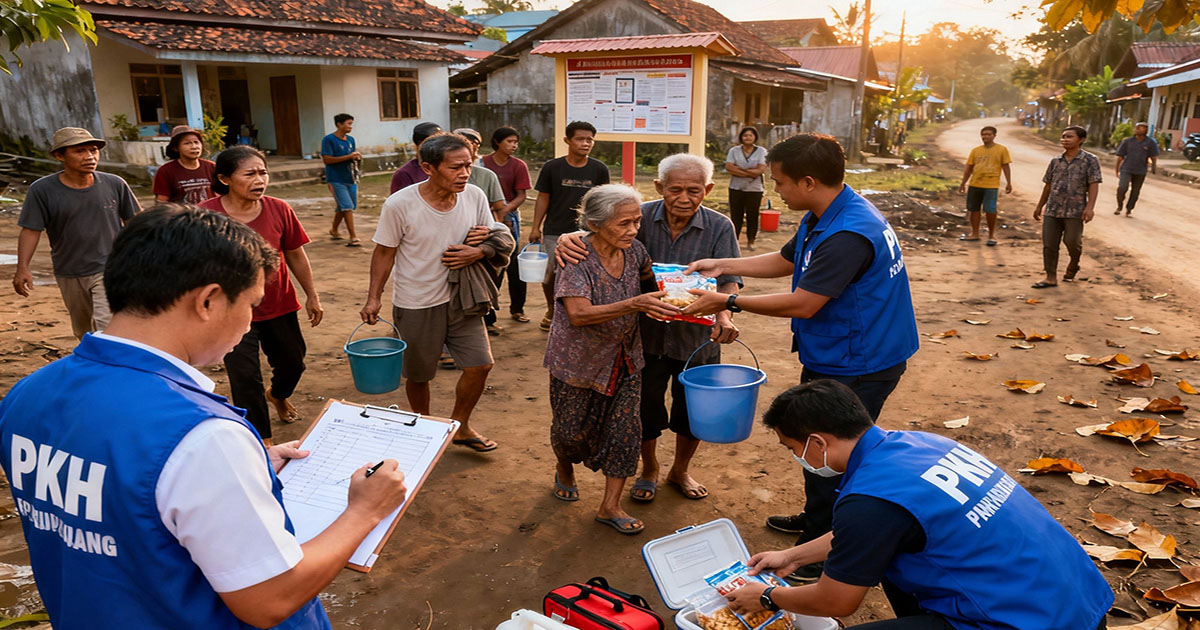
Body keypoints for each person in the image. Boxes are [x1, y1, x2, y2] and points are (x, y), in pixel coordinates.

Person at [0, 205, 409, 629]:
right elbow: (270, 598)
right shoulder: (200, 436)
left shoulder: (29, 392)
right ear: (208, 300)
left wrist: (236, 474)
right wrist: (365, 510)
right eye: (251, 304)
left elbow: (111, 493)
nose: (250, 323)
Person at [682, 133, 919, 581]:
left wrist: (728, 303)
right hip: (840, 351)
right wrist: (721, 265)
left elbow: (804, 302)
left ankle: (827, 551)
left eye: (782, 183)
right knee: (817, 452)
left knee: (833, 456)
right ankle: (818, 526)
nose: (778, 191)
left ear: (808, 181)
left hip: (860, 361)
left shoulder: (848, 233)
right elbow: (789, 259)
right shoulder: (827, 213)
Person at [723, 380, 1113, 630]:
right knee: (892, 562)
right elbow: (882, 529)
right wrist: (793, 557)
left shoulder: (868, 500)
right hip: (1077, 599)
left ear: (818, 442)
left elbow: (836, 601)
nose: (797, 457)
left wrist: (767, 596)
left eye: (792, 448)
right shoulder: (923, 444)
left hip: (1026, 622)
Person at [555, 154, 741, 503]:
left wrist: (724, 317)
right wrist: (570, 236)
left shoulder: (720, 226)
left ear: (709, 189)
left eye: (694, 190)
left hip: (697, 341)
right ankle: (650, 468)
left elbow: (730, 279)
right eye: (675, 190)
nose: (684, 198)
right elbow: (600, 228)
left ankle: (680, 470)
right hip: (646, 337)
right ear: (659, 187)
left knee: (692, 413)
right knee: (645, 411)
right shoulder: (637, 215)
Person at [362, 133, 512, 453]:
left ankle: (460, 425)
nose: (464, 174)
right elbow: (384, 253)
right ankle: (423, 427)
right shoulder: (399, 204)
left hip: (463, 298)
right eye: (455, 168)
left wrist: (480, 251)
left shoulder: (473, 196)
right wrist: (374, 297)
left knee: (480, 365)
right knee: (419, 375)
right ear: (428, 167)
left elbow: (490, 234)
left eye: (468, 166)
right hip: (416, 300)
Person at [543, 184, 680, 535]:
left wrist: (683, 296)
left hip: (625, 358)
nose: (633, 230)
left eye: (637, 222)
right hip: (579, 363)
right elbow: (579, 314)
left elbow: (654, 281)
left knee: (625, 433)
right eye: (623, 223)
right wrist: (636, 304)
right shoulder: (576, 257)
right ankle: (565, 467)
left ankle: (609, 506)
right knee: (569, 432)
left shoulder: (635, 251)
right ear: (594, 223)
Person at [201, 146, 323, 444]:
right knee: (245, 377)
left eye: (263, 172)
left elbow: (295, 253)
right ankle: (262, 439)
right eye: (250, 174)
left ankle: (278, 395)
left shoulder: (279, 208)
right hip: (229, 312)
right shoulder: (206, 215)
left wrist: (312, 294)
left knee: (293, 363)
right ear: (226, 179)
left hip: (279, 304)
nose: (260, 180)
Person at [13, 127, 140, 339]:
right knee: (83, 331)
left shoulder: (114, 184)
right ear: (59, 155)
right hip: (69, 271)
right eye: (80, 151)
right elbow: (31, 230)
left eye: (93, 150)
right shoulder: (42, 190)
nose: (90, 156)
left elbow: (136, 222)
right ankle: (93, 365)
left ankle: (111, 369)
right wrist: (22, 268)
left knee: (108, 328)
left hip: (110, 268)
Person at [529, 121, 610, 331]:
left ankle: (583, 312)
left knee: (587, 272)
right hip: (554, 230)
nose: (585, 143)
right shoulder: (552, 167)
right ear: (567, 140)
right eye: (580, 139)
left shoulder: (599, 169)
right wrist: (535, 227)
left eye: (589, 139)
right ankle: (552, 310)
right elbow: (543, 198)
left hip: (588, 232)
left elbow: (603, 201)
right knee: (550, 273)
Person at [454, 127, 509, 335]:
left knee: (483, 283)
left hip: (479, 241)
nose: (463, 174)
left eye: (474, 144)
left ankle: (486, 319)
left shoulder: (483, 180)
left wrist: (488, 236)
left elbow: (497, 210)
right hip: (454, 248)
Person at [1032, 125, 1101, 289]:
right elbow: (1048, 185)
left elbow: (1093, 184)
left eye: (1069, 136)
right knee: (1049, 244)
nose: (1065, 139)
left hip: (1075, 210)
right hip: (1053, 209)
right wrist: (1039, 206)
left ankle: (1074, 263)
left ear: (1081, 139)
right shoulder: (1055, 161)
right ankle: (1050, 277)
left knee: (1072, 242)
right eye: (1063, 136)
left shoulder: (1090, 160)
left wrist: (1090, 207)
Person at [481, 126, 533, 323]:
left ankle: (517, 308)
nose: (514, 145)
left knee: (513, 264)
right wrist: (493, 214)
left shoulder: (518, 165)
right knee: (491, 265)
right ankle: (488, 313)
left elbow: (521, 195)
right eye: (510, 141)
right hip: (484, 217)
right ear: (497, 142)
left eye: (516, 142)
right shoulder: (482, 163)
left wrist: (504, 212)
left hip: (509, 217)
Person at [956, 125, 1012, 246]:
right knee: (973, 209)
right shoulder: (976, 151)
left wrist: (1008, 182)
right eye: (983, 134)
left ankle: (991, 235)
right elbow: (969, 168)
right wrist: (963, 183)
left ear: (994, 136)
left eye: (988, 134)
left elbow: (1006, 166)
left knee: (990, 210)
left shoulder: (1002, 149)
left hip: (991, 185)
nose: (985, 136)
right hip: (975, 184)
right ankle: (975, 233)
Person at [321, 113, 363, 246]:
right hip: (336, 179)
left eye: (351, 124)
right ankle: (353, 236)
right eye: (348, 123)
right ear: (339, 124)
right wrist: (348, 157)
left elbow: (351, 157)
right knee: (347, 206)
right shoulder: (329, 140)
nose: (350, 126)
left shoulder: (350, 140)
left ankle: (334, 229)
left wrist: (356, 157)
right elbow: (327, 159)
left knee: (345, 206)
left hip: (350, 178)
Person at [725, 126, 768, 251]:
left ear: (755, 137)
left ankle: (751, 241)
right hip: (736, 188)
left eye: (750, 135)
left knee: (752, 216)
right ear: (741, 137)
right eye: (745, 135)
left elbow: (761, 169)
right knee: (735, 215)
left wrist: (739, 170)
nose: (747, 138)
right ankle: (735, 241)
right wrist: (750, 172)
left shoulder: (761, 151)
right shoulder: (734, 150)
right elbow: (729, 167)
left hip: (754, 189)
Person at [152, 125, 217, 204]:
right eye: (187, 143)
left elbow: (222, 195)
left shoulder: (212, 167)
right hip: (181, 215)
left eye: (196, 142)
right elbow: (161, 203)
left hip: (209, 215)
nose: (194, 146)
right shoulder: (166, 171)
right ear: (176, 148)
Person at [1114, 122, 1158, 217]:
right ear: (1135, 129)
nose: (1140, 130)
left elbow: (1153, 156)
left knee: (1135, 191)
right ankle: (1119, 205)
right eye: (1139, 128)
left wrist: (1154, 167)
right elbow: (1120, 156)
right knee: (1122, 187)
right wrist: (1117, 169)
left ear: (1146, 130)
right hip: (1126, 168)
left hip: (1140, 170)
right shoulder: (1127, 141)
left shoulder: (1150, 142)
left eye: (1143, 128)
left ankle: (1129, 209)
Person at [390, 121, 443, 194]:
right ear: (420, 143)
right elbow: (398, 202)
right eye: (435, 141)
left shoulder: (446, 167)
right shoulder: (404, 174)